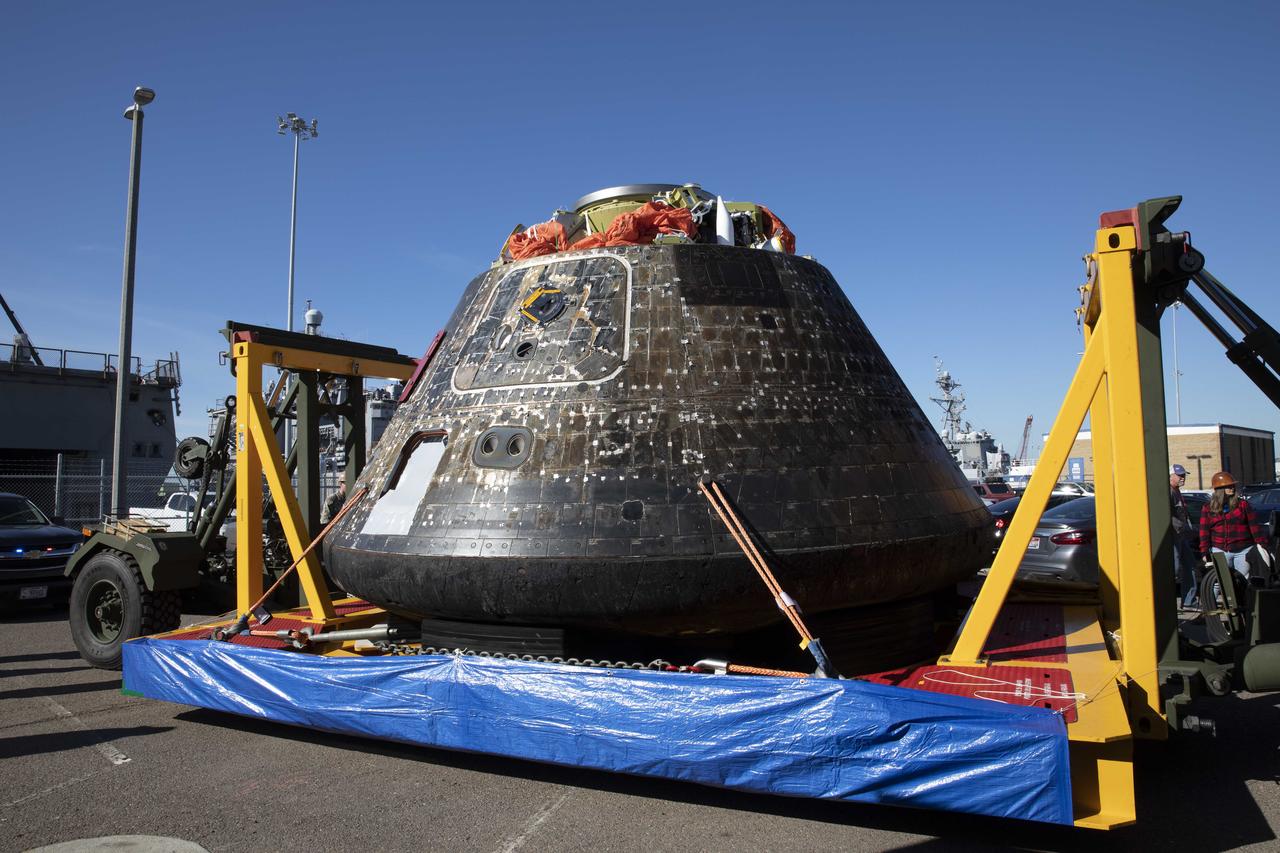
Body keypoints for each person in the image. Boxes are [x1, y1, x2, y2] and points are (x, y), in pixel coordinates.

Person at [1199, 471, 1271, 585]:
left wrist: (1262, 544)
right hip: (1219, 550)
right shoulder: (1207, 508)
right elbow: (1204, 532)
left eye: (1233, 485)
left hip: (1243, 550)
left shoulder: (1243, 505)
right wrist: (1204, 552)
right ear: (1220, 490)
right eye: (1229, 486)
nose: (1232, 488)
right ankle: (1211, 603)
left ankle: (1243, 603)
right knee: (1218, 583)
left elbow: (1254, 527)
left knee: (1242, 581)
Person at [1169, 464, 1198, 608]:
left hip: (1180, 536)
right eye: (1180, 475)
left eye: (1183, 475)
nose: (1182, 478)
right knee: (1173, 569)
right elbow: (1167, 515)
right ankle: (1166, 602)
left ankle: (1188, 600)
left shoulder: (1176, 491)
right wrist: (1181, 527)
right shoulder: (1168, 492)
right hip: (1173, 537)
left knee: (1190, 565)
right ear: (1170, 476)